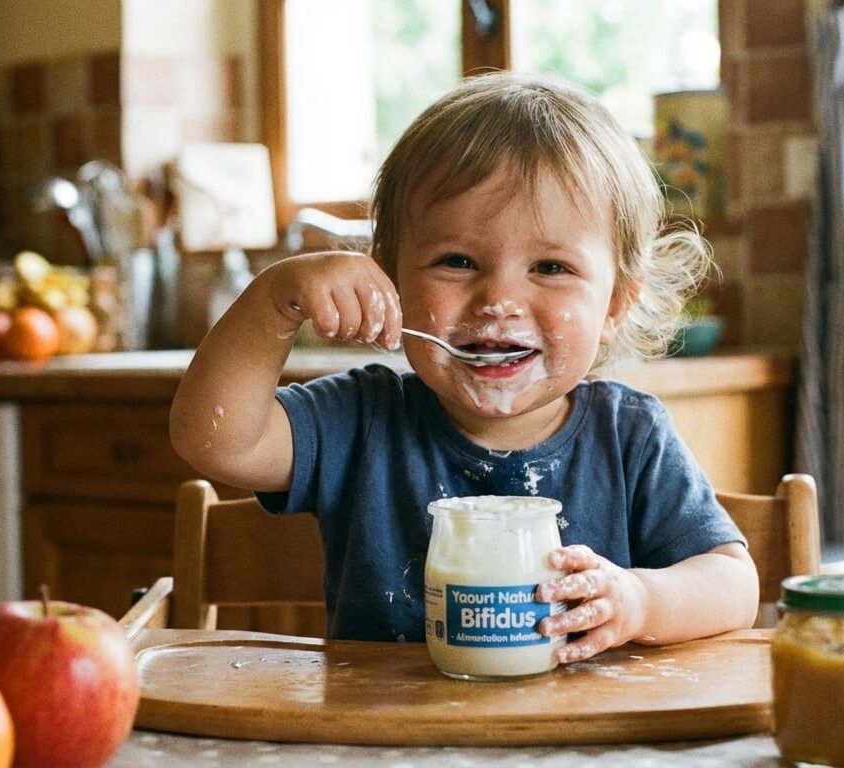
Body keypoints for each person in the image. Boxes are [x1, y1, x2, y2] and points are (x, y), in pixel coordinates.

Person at [170, 72, 758, 663]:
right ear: (390, 277)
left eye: (550, 267)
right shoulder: (362, 420)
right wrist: (275, 299)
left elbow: (734, 584)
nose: (498, 300)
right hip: (384, 744)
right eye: (456, 261)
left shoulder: (630, 436)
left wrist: (641, 599)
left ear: (613, 305)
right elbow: (215, 441)